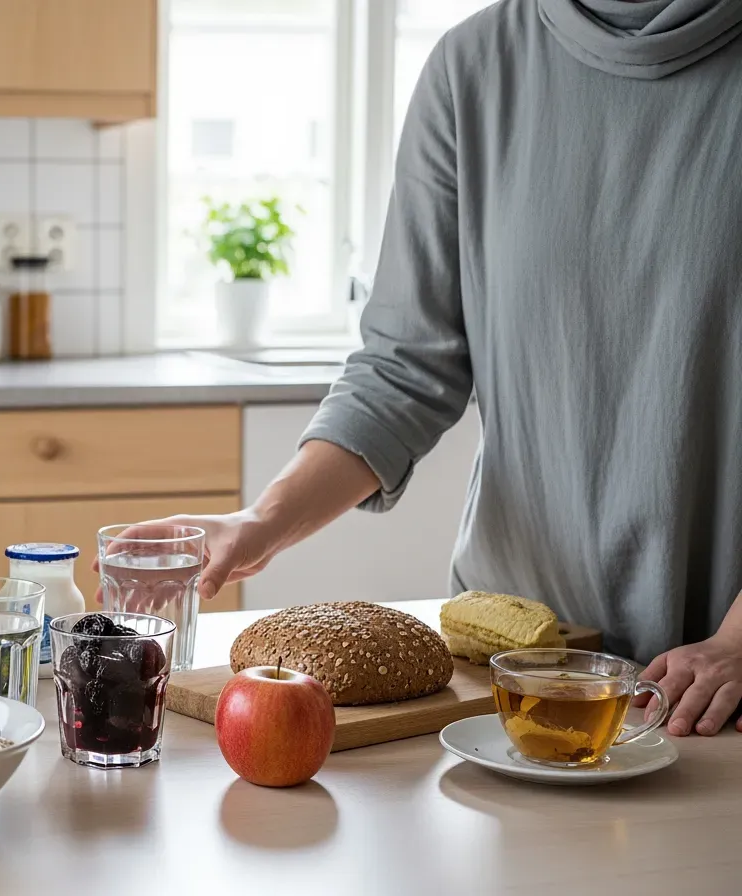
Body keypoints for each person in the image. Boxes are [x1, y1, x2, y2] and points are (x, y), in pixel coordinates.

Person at [133, 0, 742, 737]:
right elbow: (405, 366)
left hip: (713, 689)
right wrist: (261, 522)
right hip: (513, 670)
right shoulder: (473, 68)